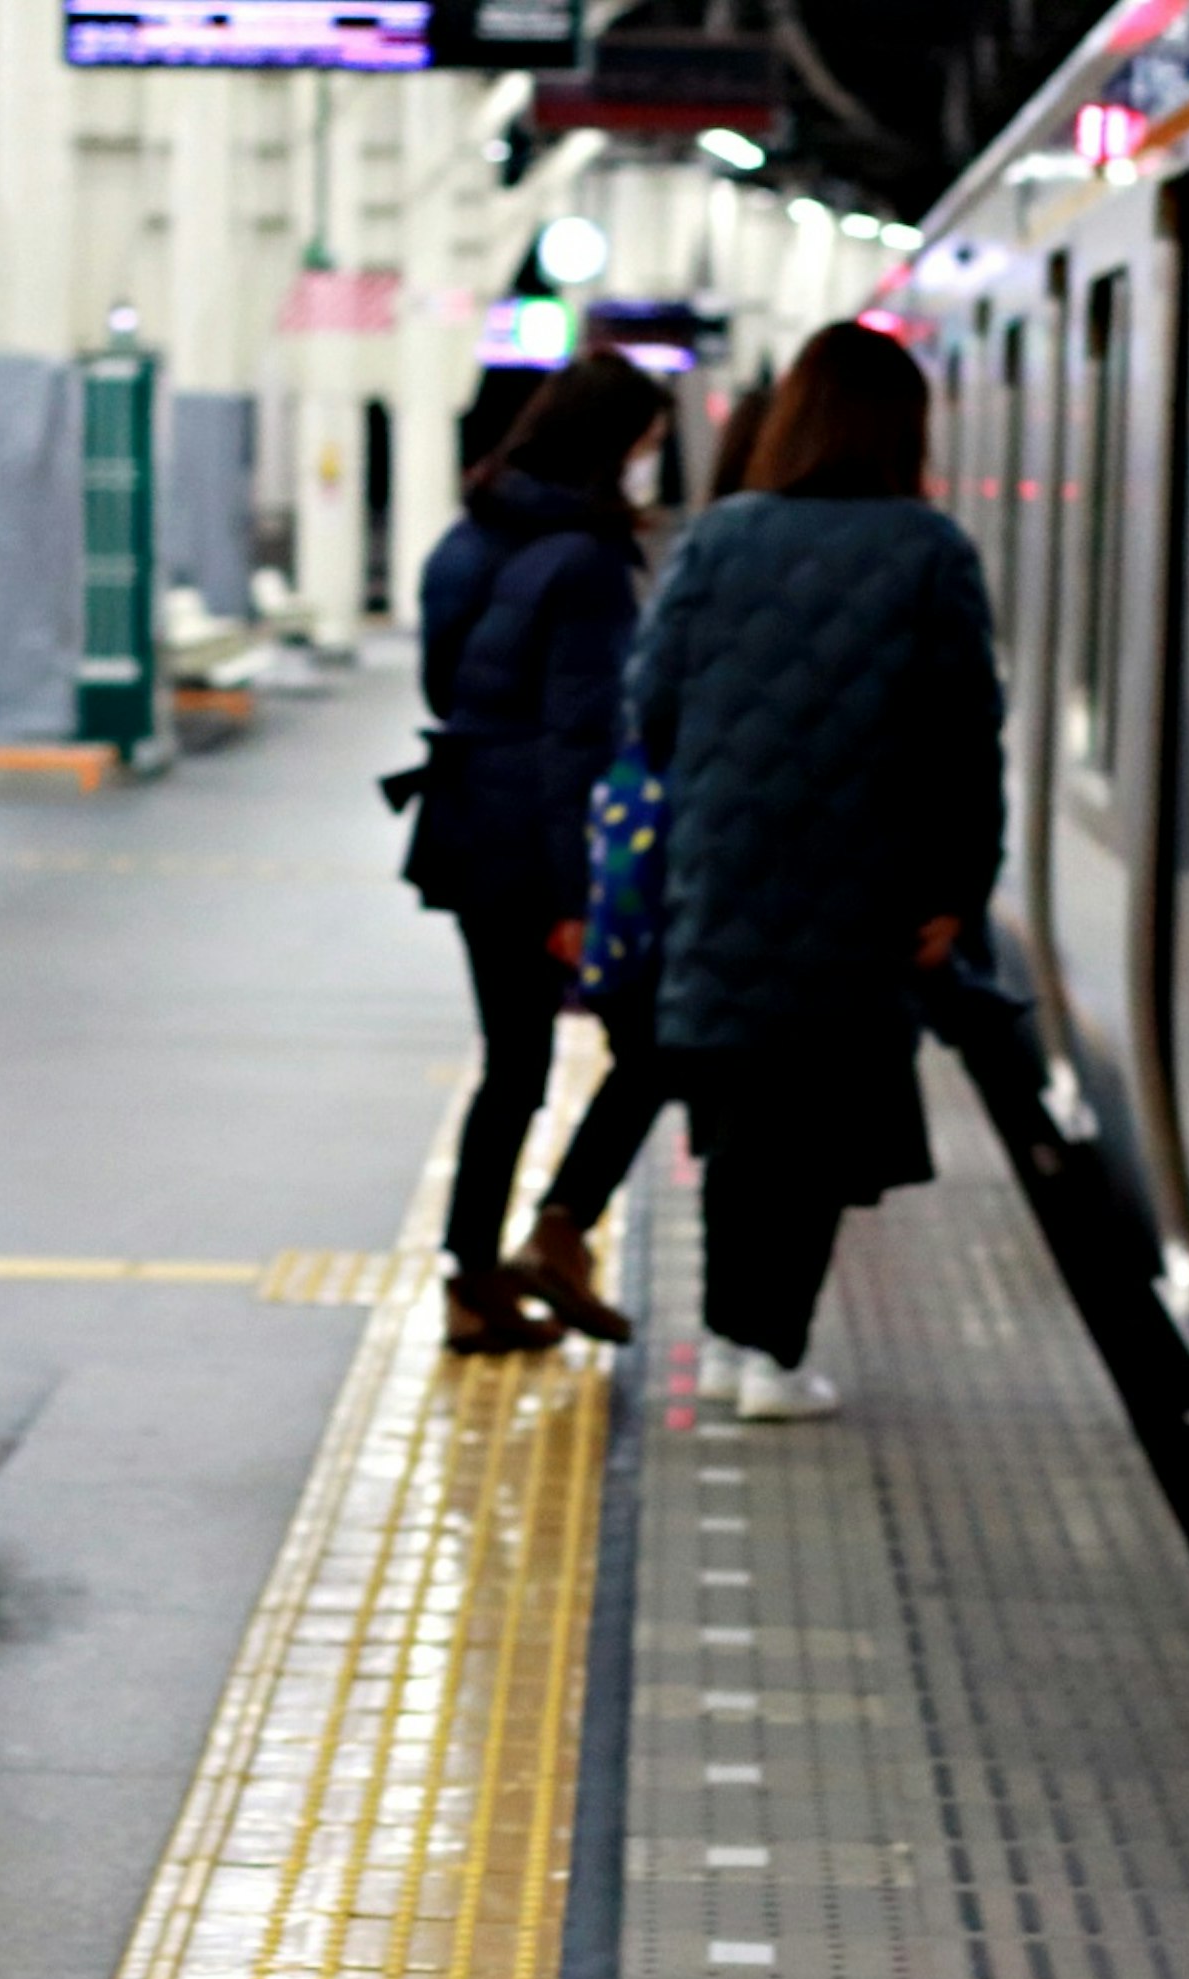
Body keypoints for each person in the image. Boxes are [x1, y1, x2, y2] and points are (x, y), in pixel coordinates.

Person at [629, 322, 1003, 1420]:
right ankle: (774, 1355)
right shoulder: (930, 551)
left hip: (726, 880)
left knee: (741, 1129)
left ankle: (732, 1344)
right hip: (863, 891)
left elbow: (649, 711)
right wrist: (955, 889)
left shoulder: (718, 538)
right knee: (819, 1129)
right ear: (904, 428)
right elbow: (962, 739)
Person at [406, 353, 678, 1354]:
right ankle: (561, 1227)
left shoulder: (466, 534)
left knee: (513, 1064)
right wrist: (582, 897)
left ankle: (474, 1286)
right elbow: (581, 736)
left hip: (467, 825)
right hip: (544, 848)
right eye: (646, 446)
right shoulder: (591, 562)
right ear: (612, 444)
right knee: (656, 1045)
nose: (650, 466)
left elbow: (444, 690)